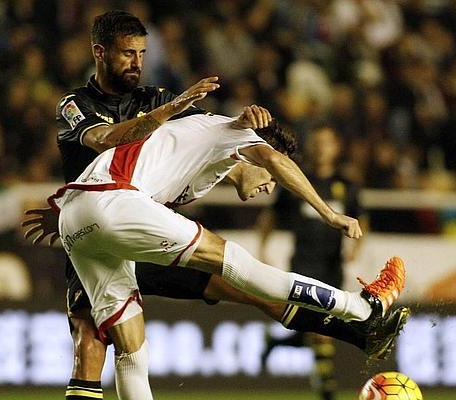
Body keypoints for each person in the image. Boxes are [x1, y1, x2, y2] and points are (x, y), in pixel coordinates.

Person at [22, 10, 408, 400]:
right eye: (127, 53)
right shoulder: (85, 103)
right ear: (100, 52)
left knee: (137, 345)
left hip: (96, 220)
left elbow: (215, 152)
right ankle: (362, 308)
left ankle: (361, 334)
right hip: (117, 209)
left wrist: (242, 169)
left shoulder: (162, 105)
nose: (137, 62)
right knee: (97, 338)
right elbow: (257, 151)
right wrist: (329, 213)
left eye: (142, 53)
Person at [258, 124, 364, 400]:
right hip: (303, 263)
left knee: (313, 325)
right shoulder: (296, 179)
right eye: (316, 142)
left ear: (336, 147)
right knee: (320, 325)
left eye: (326, 142)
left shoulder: (346, 185)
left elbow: (362, 219)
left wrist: (356, 247)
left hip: (332, 264)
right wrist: (263, 245)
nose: (320, 148)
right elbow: (271, 214)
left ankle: (278, 342)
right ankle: (326, 388)